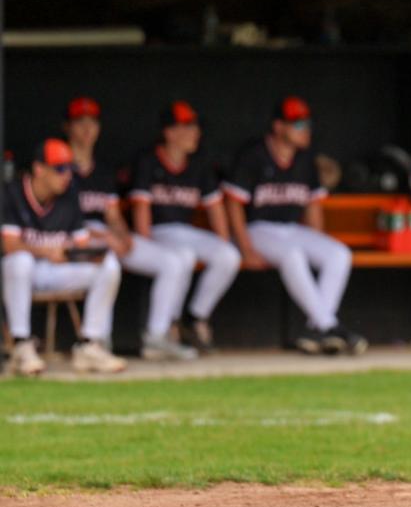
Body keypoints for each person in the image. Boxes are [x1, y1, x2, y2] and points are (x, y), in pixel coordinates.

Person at [223, 96, 366, 355]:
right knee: (292, 255)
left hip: (290, 229)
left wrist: (317, 243)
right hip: (257, 229)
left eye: (307, 124)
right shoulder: (254, 154)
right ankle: (330, 327)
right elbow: (234, 205)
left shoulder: (306, 159)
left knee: (338, 254)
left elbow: (312, 207)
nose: (305, 130)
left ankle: (317, 330)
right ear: (279, 127)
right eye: (298, 125)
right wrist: (245, 248)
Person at [64, 97, 198, 361]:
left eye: (92, 122)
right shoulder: (58, 168)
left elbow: (112, 214)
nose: (87, 129)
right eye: (80, 122)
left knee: (172, 261)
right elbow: (58, 219)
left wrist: (122, 235)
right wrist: (106, 238)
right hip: (72, 237)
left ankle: (157, 336)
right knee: (108, 261)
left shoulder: (101, 171)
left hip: (104, 234)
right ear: (67, 127)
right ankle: (100, 340)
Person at [2, 139, 126, 375]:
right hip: (21, 272)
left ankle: (89, 345)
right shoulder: (12, 192)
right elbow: (9, 244)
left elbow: (80, 243)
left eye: (70, 169)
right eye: (60, 169)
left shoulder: (70, 195)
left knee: (109, 265)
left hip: (57, 269)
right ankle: (21, 345)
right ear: (39, 169)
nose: (66, 175)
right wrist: (46, 251)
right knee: (19, 261)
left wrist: (81, 254)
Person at [130, 101, 241, 353]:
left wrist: (223, 241)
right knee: (183, 257)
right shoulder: (149, 161)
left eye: (195, 127)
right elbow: (141, 209)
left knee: (229, 255)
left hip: (184, 232)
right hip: (158, 233)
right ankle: (168, 326)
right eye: (186, 127)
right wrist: (147, 248)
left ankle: (193, 316)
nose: (194, 133)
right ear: (169, 132)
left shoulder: (199, 163)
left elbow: (215, 208)